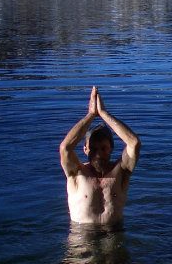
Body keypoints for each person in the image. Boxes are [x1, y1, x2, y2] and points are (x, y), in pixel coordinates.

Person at [59, 86, 140, 226]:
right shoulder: (76, 172)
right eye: (93, 148)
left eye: (103, 148)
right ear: (85, 149)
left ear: (111, 149)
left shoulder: (121, 171)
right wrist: (90, 115)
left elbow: (134, 143)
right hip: (82, 236)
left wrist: (103, 113)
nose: (98, 153)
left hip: (114, 234)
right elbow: (65, 148)